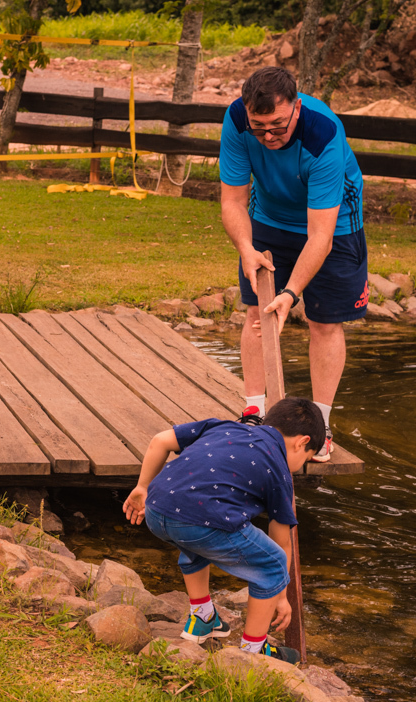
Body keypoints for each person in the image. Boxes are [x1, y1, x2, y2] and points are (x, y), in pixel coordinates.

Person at [219, 66, 368, 462]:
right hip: (268, 218)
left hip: (334, 225)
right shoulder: (236, 120)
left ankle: (319, 427)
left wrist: (290, 293)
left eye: (278, 126)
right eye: (259, 127)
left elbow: (320, 234)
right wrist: (246, 246)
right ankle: (254, 413)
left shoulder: (323, 134)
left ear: (296, 108)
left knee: (324, 323)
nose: (268, 136)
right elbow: (233, 200)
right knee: (256, 312)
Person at [121, 397, 325, 664]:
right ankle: (253, 653)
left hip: (157, 510)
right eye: (307, 459)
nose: (299, 467)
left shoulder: (223, 426)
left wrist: (142, 487)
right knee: (272, 563)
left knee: (195, 538)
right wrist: (280, 595)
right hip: (198, 521)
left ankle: (203, 619)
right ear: (302, 442)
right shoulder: (279, 469)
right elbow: (281, 543)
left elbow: (159, 441)